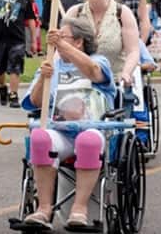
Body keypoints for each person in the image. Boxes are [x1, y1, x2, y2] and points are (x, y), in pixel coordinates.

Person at [21, 17, 116, 229]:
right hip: (61, 132)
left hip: (93, 129)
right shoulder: (51, 64)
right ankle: (43, 209)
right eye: (55, 39)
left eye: (62, 37)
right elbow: (34, 102)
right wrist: (42, 80)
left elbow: (92, 71)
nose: (55, 42)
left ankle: (79, 209)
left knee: (88, 141)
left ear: (79, 42)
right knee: (40, 137)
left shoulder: (99, 61)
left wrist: (61, 44)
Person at [65, 0, 140, 87]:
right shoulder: (74, 13)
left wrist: (126, 73)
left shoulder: (122, 13)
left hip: (113, 83)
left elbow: (133, 51)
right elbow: (63, 49)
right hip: (78, 84)